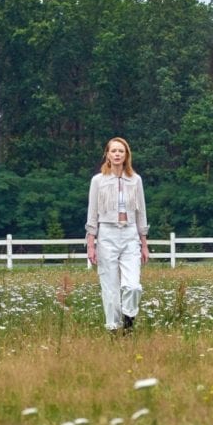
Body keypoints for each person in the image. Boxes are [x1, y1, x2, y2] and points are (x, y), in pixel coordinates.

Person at [85, 137, 150, 333]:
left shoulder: (135, 180)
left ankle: (129, 319)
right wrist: (91, 243)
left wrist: (144, 243)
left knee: (133, 285)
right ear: (107, 154)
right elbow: (92, 211)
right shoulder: (98, 180)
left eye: (121, 151)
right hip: (107, 234)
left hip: (130, 234)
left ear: (126, 155)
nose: (117, 154)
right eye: (113, 151)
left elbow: (141, 213)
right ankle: (113, 327)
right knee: (110, 286)